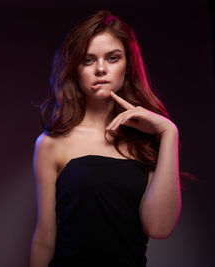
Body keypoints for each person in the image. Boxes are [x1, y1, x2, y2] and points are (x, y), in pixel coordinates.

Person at [29, 10, 181, 267]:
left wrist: (169, 133)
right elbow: (45, 237)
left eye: (112, 58)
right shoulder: (51, 143)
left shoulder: (147, 141)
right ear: (75, 68)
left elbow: (159, 228)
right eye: (88, 60)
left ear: (127, 66)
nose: (101, 69)